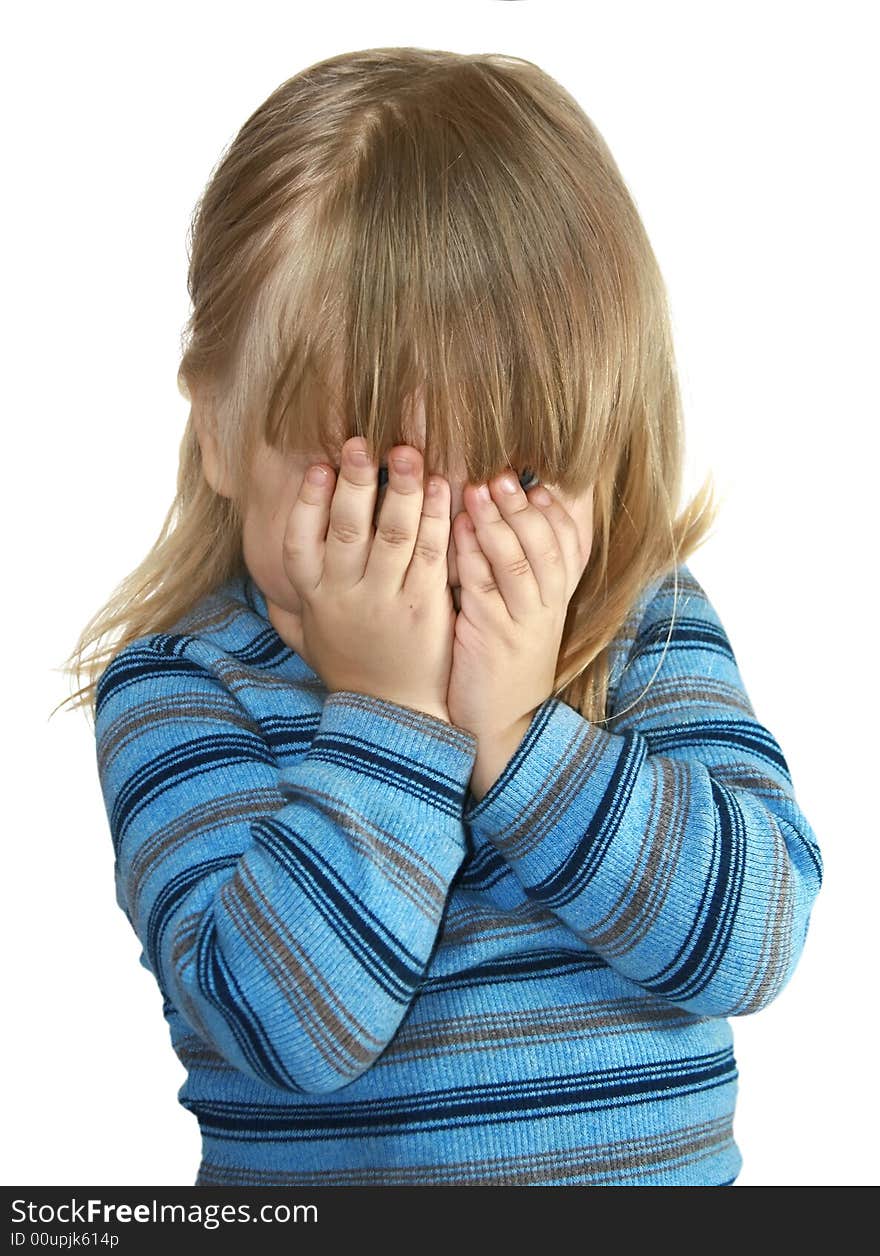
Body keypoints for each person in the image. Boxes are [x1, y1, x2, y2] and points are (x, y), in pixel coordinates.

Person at [59, 47, 823, 1186]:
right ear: (217, 423)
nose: (436, 556)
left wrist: (520, 735)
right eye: (372, 487)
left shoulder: (633, 623)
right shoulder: (182, 687)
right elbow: (284, 1030)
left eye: (513, 482)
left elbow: (756, 939)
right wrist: (387, 714)